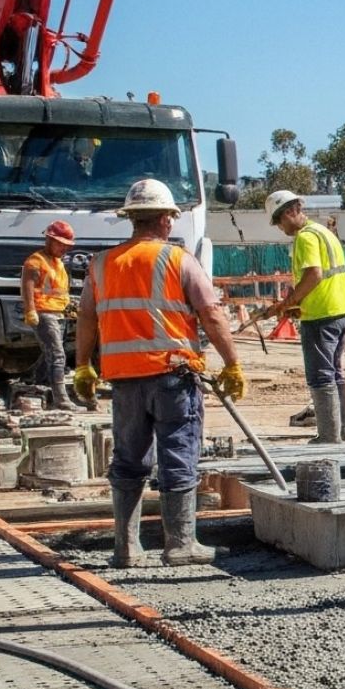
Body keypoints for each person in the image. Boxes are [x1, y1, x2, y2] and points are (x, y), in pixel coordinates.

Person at [74, 179, 245, 568]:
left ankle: (127, 548)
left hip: (124, 380)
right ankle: (180, 544)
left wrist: (83, 365)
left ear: (131, 218)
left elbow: (86, 316)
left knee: (129, 459)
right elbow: (211, 313)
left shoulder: (101, 265)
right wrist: (232, 362)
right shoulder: (179, 260)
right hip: (173, 376)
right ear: (166, 220)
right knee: (178, 456)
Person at [263, 191, 345, 443]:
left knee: (321, 376)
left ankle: (329, 436)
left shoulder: (305, 237)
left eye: (279, 222)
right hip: (342, 309)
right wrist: (293, 302)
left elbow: (314, 275)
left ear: (288, 213)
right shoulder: (323, 232)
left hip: (321, 314)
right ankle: (342, 430)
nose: (280, 228)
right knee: (335, 373)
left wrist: (290, 302)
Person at [20, 220, 82, 411]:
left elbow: (58, 290)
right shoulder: (35, 262)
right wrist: (30, 310)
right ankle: (61, 399)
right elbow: (27, 286)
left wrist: (70, 305)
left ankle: (31, 382)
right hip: (43, 313)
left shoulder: (58, 263)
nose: (64, 248)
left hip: (58, 312)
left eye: (67, 245)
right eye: (60, 243)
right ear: (49, 239)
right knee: (57, 355)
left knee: (51, 352)